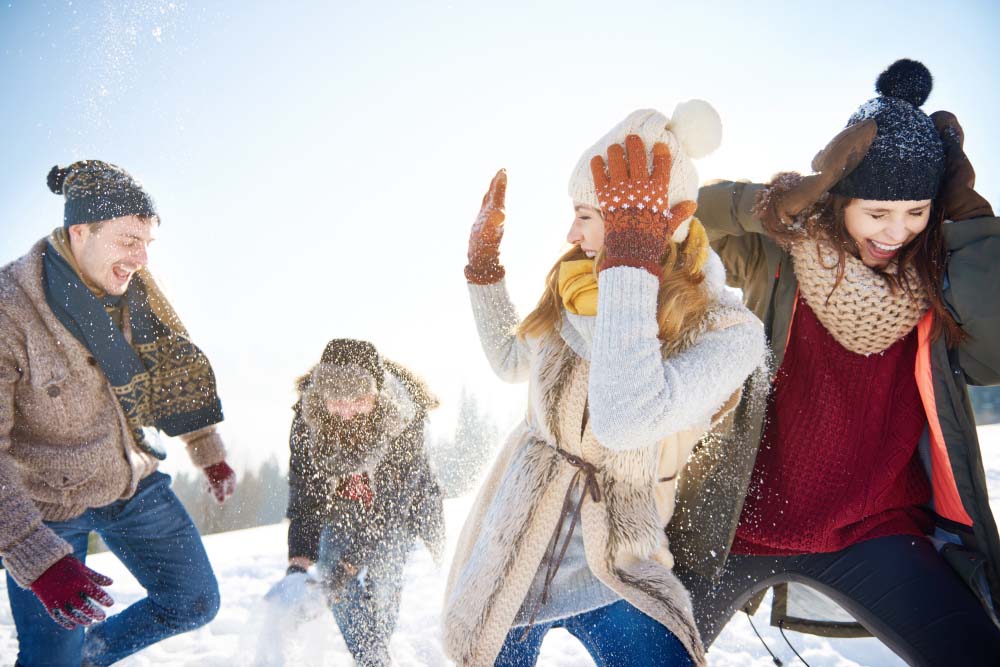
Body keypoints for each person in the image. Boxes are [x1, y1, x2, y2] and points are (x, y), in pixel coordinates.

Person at [671, 59, 1000, 666]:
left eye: (918, 212)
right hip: (730, 527)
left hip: (873, 528)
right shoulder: (779, 252)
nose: (897, 231)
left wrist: (972, 221)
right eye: (878, 212)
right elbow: (677, 221)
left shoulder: (937, 281)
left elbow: (995, 353)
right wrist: (765, 206)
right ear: (840, 198)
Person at [442, 102, 767, 667]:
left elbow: (626, 418)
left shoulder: (726, 332)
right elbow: (509, 359)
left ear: (658, 221)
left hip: (618, 557)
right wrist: (483, 271)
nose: (571, 232)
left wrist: (629, 268)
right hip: (518, 546)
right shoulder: (574, 288)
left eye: (587, 215)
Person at [0, 160, 237, 666]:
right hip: (46, 503)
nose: (142, 258)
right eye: (130, 240)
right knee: (49, 659)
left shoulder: (135, 294)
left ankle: (88, 658)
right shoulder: (9, 311)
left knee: (194, 601)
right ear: (80, 231)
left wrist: (207, 450)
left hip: (127, 478)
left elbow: (175, 369)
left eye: (149, 243)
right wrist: (36, 558)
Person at [273, 338, 445, 667]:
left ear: (375, 394)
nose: (347, 409)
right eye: (336, 399)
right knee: (330, 577)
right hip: (342, 504)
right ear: (323, 395)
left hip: (401, 507)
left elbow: (392, 508)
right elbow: (306, 496)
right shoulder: (307, 421)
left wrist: (350, 565)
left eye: (358, 399)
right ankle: (372, 658)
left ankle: (374, 651)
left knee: (384, 576)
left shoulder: (404, 416)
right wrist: (298, 563)